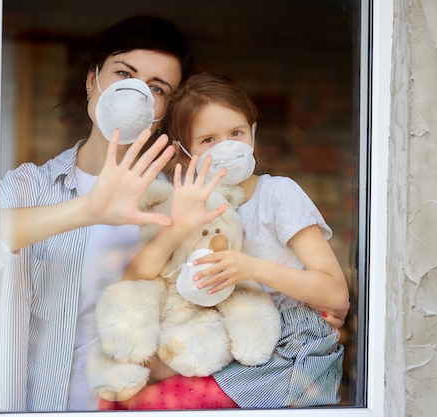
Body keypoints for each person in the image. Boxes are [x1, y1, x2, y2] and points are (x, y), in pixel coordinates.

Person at [0, 15, 208, 412]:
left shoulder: (179, 202)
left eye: (156, 88)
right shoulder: (30, 186)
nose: (135, 93)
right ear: (91, 80)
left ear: (166, 109)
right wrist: (88, 209)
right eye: (123, 73)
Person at [107, 72, 350, 410]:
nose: (226, 147)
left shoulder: (278, 195)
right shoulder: (187, 201)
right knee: (113, 402)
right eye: (208, 140)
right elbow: (134, 278)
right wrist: (179, 225)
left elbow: (336, 293)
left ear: (253, 132)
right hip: (215, 341)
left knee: (153, 404)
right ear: (183, 152)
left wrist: (249, 267)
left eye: (236, 133)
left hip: (285, 349)